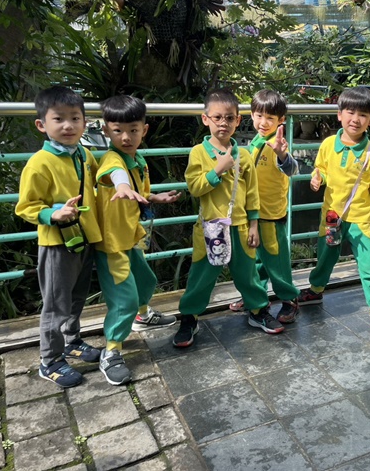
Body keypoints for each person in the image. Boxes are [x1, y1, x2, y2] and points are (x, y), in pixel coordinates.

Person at [174, 88, 285, 347]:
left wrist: (254, 225)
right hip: (210, 227)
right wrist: (218, 170)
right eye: (217, 117)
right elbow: (195, 188)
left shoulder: (243, 154)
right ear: (206, 119)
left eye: (229, 118)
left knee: (247, 273)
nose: (223, 123)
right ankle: (189, 317)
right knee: (201, 275)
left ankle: (258, 310)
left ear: (237, 120)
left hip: (241, 225)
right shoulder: (198, 153)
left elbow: (252, 193)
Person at [15, 86, 103, 388]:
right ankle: (49, 360)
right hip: (57, 244)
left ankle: (71, 340)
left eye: (75, 118)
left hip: (84, 238)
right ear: (42, 124)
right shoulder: (40, 163)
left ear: (84, 122)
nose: (68, 125)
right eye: (59, 119)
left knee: (77, 295)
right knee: (56, 303)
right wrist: (53, 213)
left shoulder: (84, 154)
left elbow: (98, 182)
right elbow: (26, 206)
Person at [297, 86, 370, 338]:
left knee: (369, 265)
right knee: (325, 256)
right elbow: (321, 168)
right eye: (350, 112)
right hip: (332, 216)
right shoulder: (328, 144)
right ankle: (316, 289)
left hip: (361, 219)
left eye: (363, 114)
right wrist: (317, 178)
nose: (356, 119)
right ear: (339, 114)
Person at [94, 95, 180, 385]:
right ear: (106, 130)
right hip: (112, 244)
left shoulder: (137, 160)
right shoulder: (112, 159)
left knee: (145, 281)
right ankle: (111, 350)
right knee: (124, 300)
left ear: (145, 129)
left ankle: (143, 317)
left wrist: (155, 197)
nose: (126, 137)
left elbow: (138, 192)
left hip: (130, 237)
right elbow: (116, 175)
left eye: (133, 130)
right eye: (117, 130)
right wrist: (121, 185)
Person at [228, 90, 300, 323]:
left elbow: (291, 168)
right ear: (251, 115)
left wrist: (281, 154)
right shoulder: (254, 143)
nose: (263, 122)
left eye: (270, 118)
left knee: (276, 260)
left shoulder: (277, 144)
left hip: (271, 213)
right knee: (257, 258)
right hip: (253, 213)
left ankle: (289, 298)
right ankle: (256, 296)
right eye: (259, 116)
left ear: (281, 120)